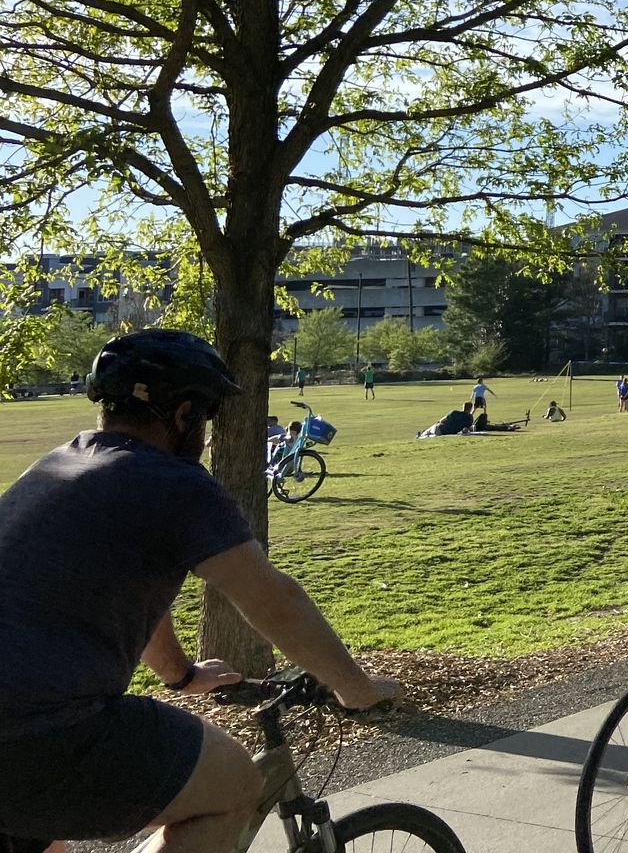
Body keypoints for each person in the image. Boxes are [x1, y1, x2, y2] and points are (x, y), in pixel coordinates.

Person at [0, 331, 399, 853]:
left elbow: (136, 596)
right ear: (184, 414)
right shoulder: (173, 482)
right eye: (207, 418)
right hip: (40, 729)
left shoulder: (57, 466)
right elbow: (271, 600)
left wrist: (181, 675)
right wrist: (358, 689)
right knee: (234, 784)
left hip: (20, 727)